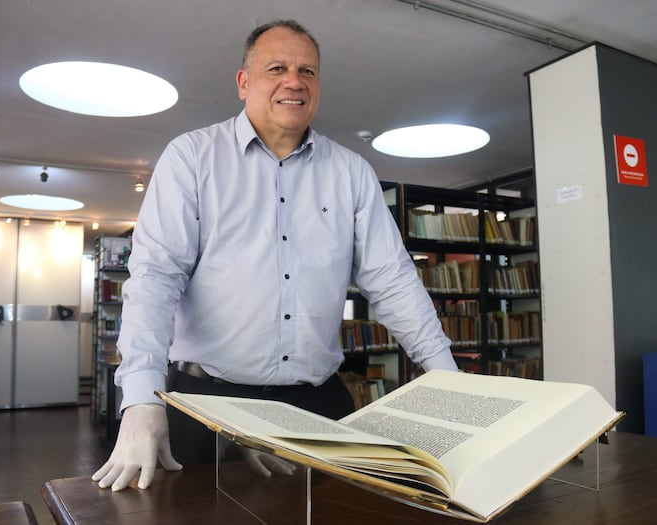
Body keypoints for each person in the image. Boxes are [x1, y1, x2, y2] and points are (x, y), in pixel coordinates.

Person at [92, 19, 457, 492]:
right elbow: (156, 278)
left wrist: (447, 377)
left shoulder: (351, 172)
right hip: (205, 400)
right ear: (244, 83)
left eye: (308, 71)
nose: (295, 81)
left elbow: (392, 280)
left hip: (314, 404)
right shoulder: (191, 158)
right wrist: (141, 399)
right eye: (277, 68)